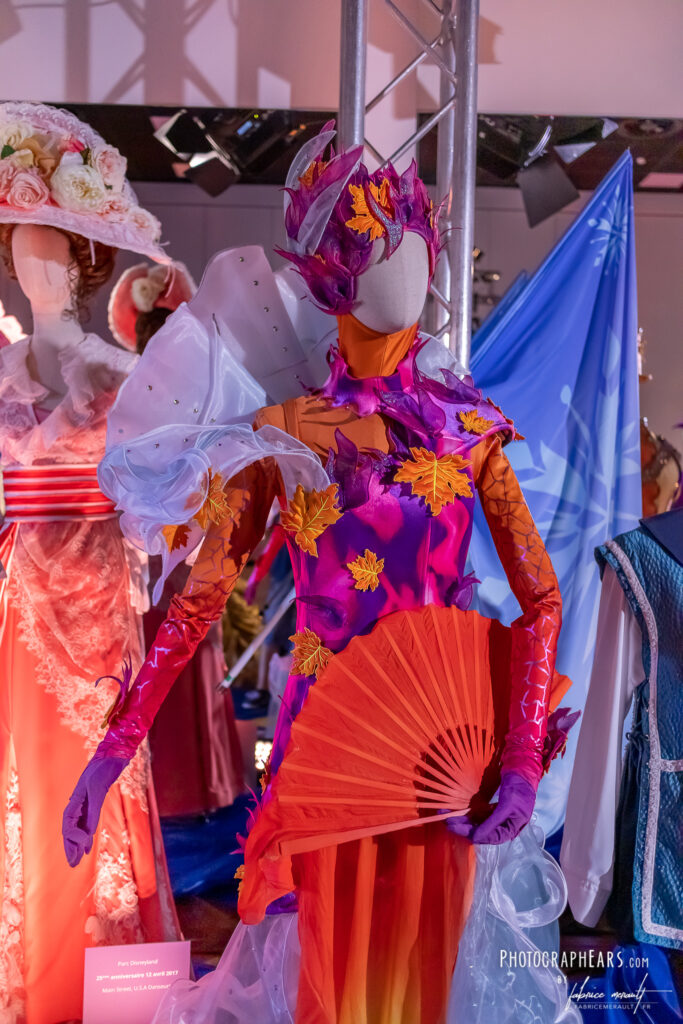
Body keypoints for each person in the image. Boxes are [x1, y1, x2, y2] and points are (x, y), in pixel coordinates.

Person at [64, 124, 576, 1023]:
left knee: (426, 975)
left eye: (414, 241)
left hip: (443, 761)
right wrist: (111, 749)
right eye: (378, 245)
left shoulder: (468, 427)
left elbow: (540, 597)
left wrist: (524, 762)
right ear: (330, 275)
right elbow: (197, 604)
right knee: (329, 978)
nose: (405, 269)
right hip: (330, 752)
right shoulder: (284, 432)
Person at [0, 102, 179, 1024]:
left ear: (80, 255)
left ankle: (87, 991)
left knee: (85, 790)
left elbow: (164, 503)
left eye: (47, 239)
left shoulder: (114, 372)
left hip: (92, 610)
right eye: (17, 237)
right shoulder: (4, 367)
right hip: (15, 602)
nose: (30, 255)